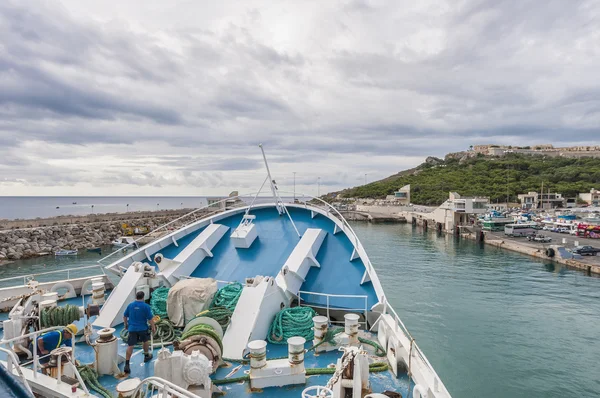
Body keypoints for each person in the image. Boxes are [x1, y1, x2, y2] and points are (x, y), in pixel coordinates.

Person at [123, 291, 155, 374]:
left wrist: (126, 325)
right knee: (145, 341)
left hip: (132, 329)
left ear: (136, 297)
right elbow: (150, 318)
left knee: (130, 345)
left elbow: (125, 316)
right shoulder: (146, 306)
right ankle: (146, 356)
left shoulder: (130, 305)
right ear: (143, 297)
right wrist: (153, 326)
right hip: (142, 328)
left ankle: (127, 364)